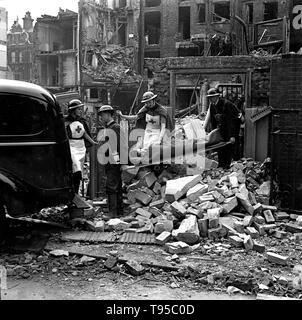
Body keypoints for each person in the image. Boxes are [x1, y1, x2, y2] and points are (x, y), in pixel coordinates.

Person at [97, 105, 124, 219]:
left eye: (102, 115)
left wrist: (119, 161)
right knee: (115, 184)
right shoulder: (110, 127)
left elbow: (119, 145)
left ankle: (112, 212)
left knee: (112, 185)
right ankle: (119, 211)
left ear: (108, 114)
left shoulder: (114, 127)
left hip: (113, 159)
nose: (101, 118)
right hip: (112, 159)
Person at [65, 99, 97, 194]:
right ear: (73, 110)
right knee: (73, 168)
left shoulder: (82, 121)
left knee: (78, 172)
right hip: (70, 146)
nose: (80, 111)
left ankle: (76, 192)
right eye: (79, 109)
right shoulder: (65, 121)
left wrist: (92, 142)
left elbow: (85, 134)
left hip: (81, 147)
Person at [204, 88, 240, 169]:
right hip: (221, 129)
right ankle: (221, 166)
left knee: (229, 148)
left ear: (217, 96)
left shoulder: (226, 104)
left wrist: (232, 135)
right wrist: (214, 134)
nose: (210, 99)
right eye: (209, 97)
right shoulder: (212, 106)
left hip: (231, 128)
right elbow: (213, 121)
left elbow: (232, 121)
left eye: (212, 97)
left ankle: (227, 166)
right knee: (220, 147)